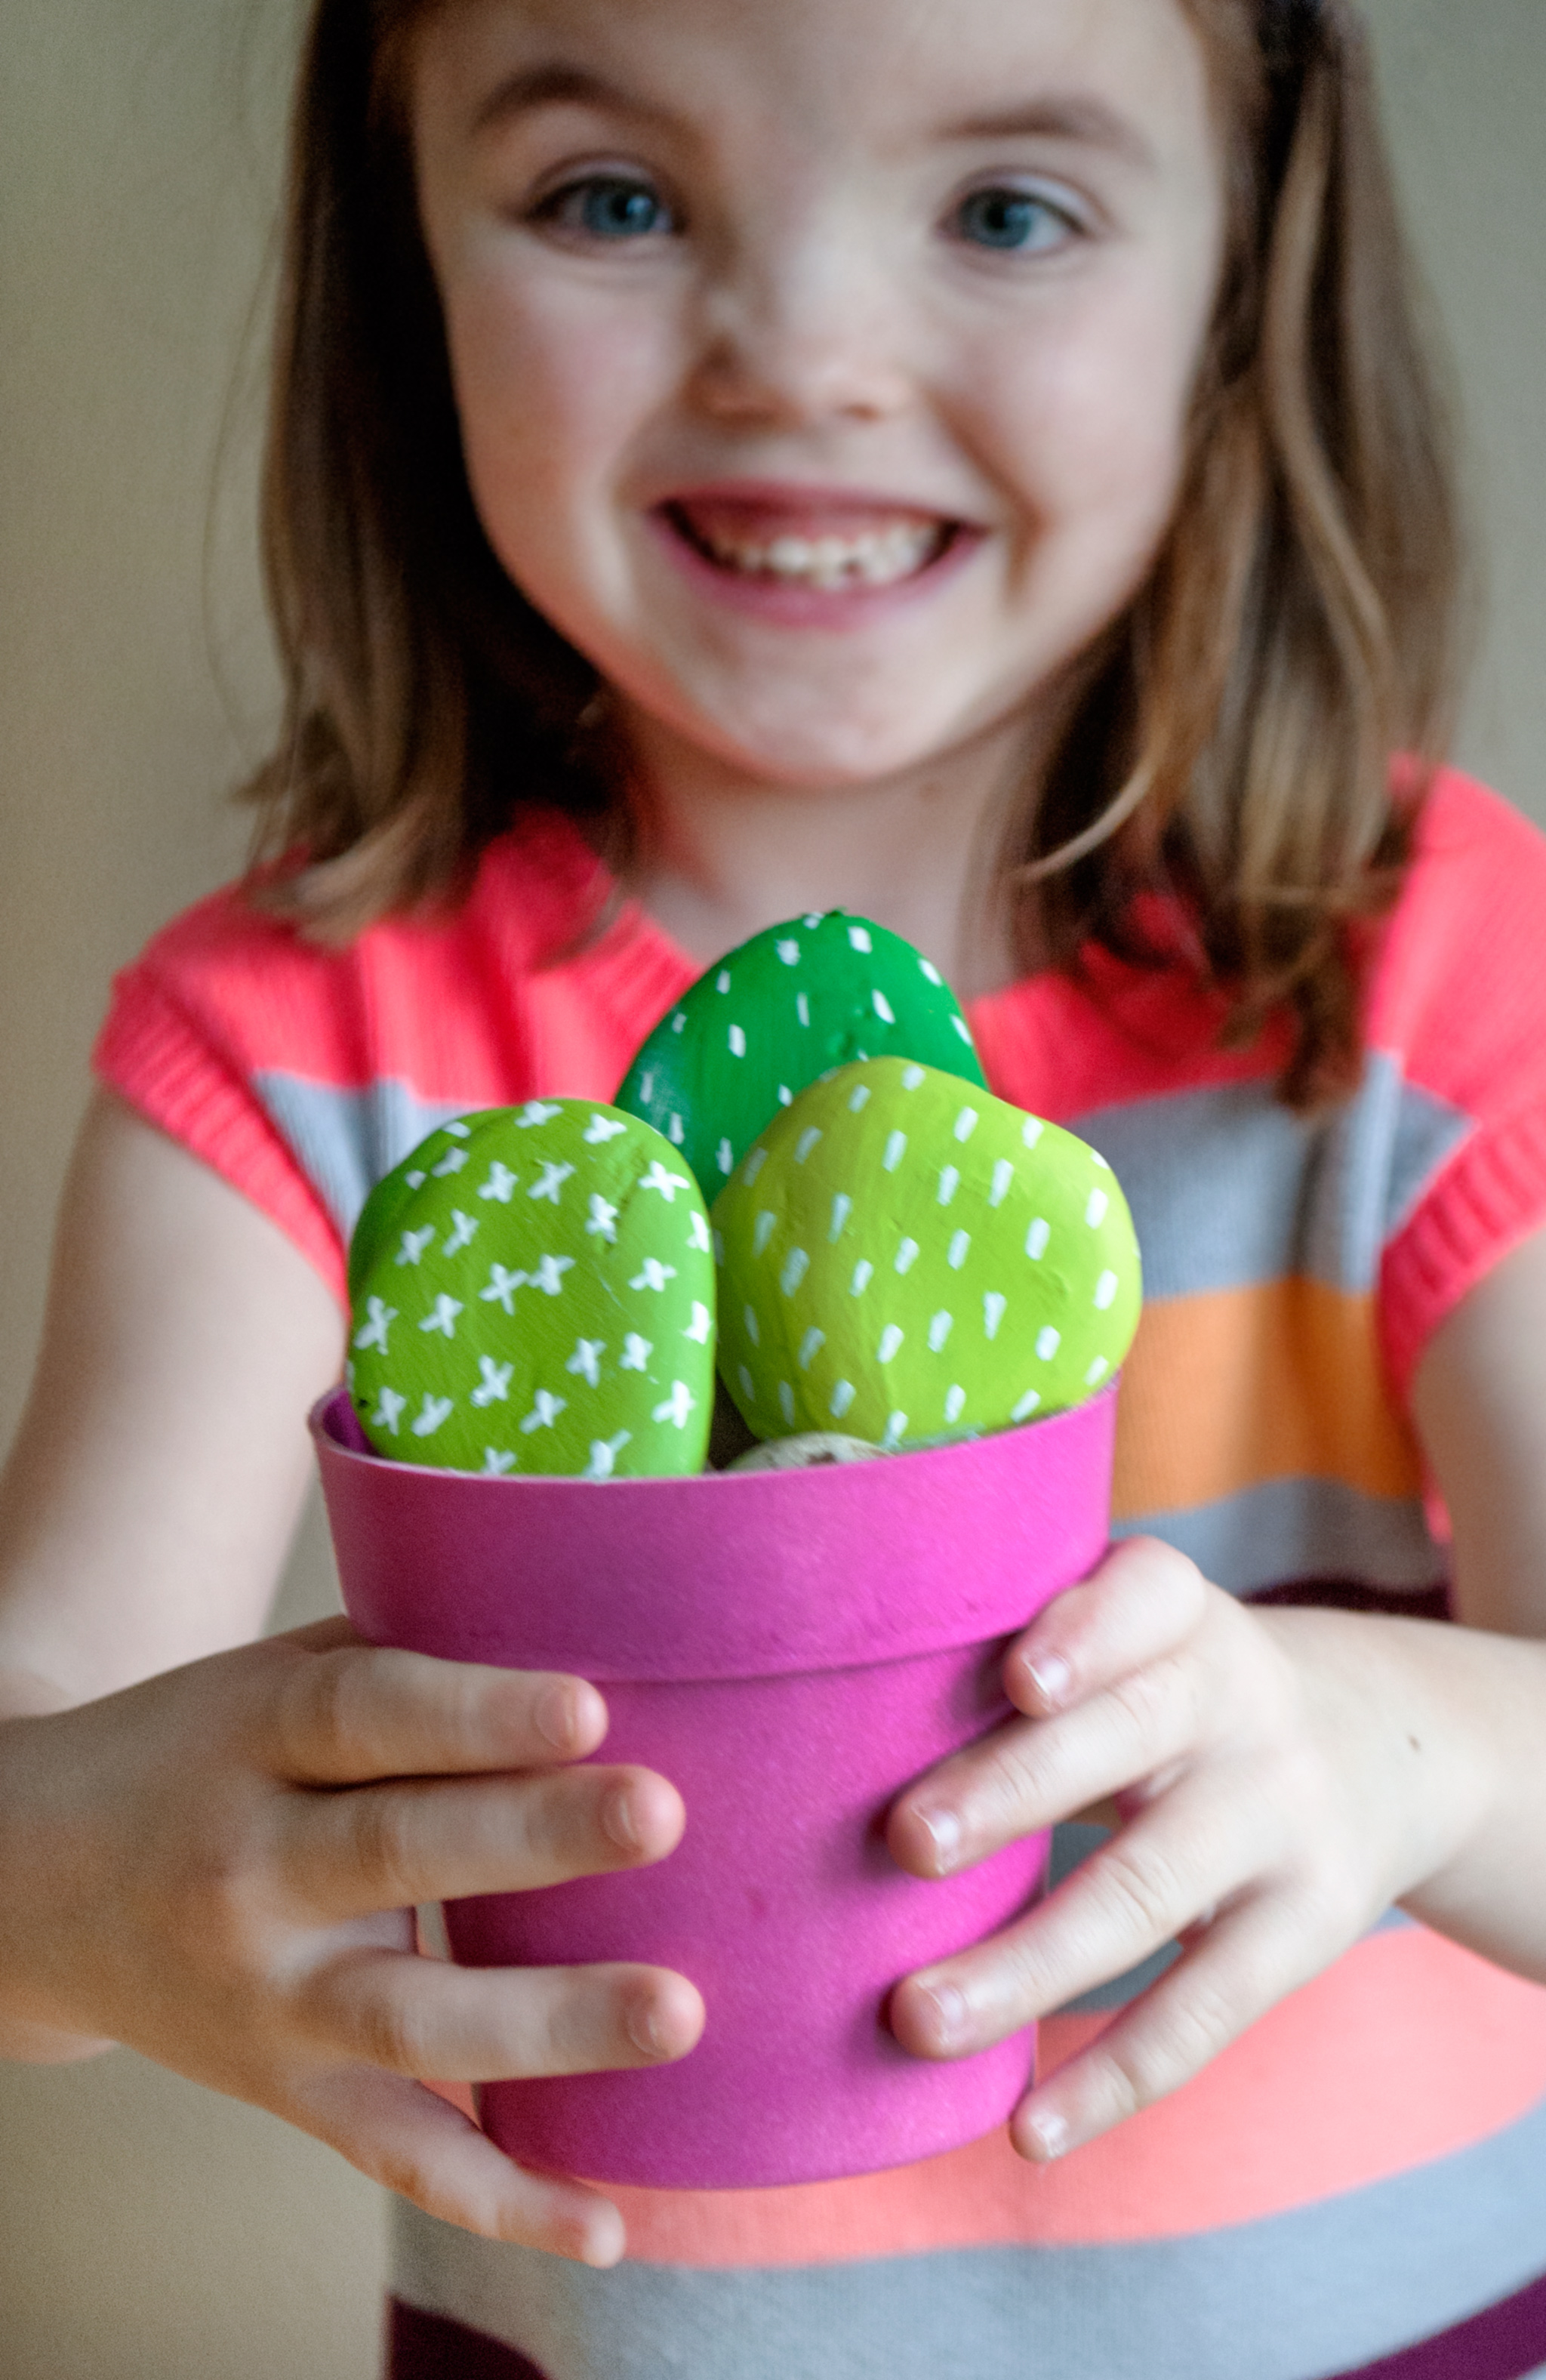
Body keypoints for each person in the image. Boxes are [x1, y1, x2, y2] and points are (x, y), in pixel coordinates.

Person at [4, 0, 1546, 2371]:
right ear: (404, 252)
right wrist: (73, 1885)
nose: (805, 353)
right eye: (613, 199)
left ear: (1246, 262)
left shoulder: (1437, 974)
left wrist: (1391, 1737)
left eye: (1006, 208)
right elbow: (46, 1730)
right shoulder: (305, 1048)